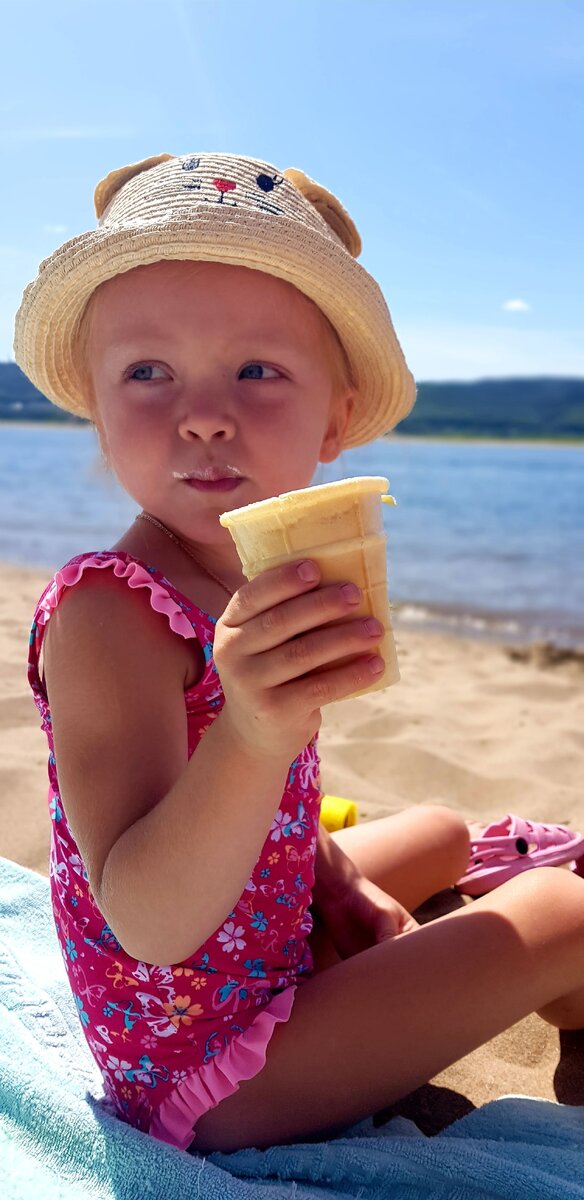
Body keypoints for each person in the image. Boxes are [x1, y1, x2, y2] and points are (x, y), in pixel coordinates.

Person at [14, 152, 584, 1157]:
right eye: (146, 372)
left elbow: (276, 801)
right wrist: (250, 732)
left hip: (260, 946)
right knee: (561, 913)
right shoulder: (109, 616)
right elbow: (147, 918)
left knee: (440, 833)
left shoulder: (249, 571)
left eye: (256, 371)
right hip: (205, 1070)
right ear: (99, 418)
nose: (201, 412)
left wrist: (332, 880)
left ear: (337, 420)